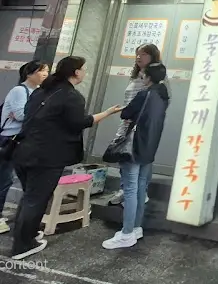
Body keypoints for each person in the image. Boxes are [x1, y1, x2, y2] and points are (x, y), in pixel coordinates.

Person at [11, 56, 121, 260]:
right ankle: (22, 246)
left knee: (30, 198)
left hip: (23, 151)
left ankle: (27, 234)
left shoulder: (41, 91)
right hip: (46, 157)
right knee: (35, 200)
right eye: (83, 69)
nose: (85, 72)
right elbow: (80, 122)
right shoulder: (72, 96)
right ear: (76, 72)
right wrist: (106, 113)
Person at [103, 62, 169, 249]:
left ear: (148, 77)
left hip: (134, 147)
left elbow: (126, 113)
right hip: (149, 148)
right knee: (140, 188)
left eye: (143, 75)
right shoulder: (163, 96)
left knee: (130, 190)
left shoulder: (144, 94)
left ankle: (126, 234)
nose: (141, 77)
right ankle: (136, 228)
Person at [108, 44, 161, 207]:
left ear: (153, 57)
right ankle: (125, 190)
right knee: (124, 155)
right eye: (137, 54)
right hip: (127, 123)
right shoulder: (136, 75)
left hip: (143, 126)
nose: (139, 57)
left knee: (142, 159)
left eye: (143, 54)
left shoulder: (156, 78)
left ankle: (140, 192)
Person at [0, 61, 49, 234]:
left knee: (18, 180)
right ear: (29, 73)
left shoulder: (39, 92)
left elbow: (25, 115)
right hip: (10, 139)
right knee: (4, 180)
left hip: (23, 140)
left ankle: (24, 220)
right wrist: (37, 113)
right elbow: (21, 115)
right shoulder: (19, 90)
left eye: (47, 71)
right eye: (42, 71)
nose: (45, 74)